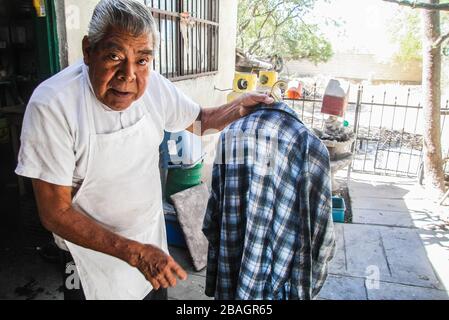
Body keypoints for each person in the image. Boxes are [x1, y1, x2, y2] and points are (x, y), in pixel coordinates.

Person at [15, 0, 273, 300]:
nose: (128, 76)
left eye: (142, 60)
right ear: (88, 51)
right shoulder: (53, 105)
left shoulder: (154, 88)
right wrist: (134, 254)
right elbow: (54, 212)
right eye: (114, 56)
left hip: (150, 246)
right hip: (90, 260)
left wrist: (238, 106)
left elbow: (200, 122)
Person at [203, 102, 335, 299]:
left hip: (232, 270)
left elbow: (213, 216)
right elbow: (322, 234)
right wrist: (315, 273)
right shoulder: (309, 145)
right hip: (279, 278)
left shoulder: (229, 134)